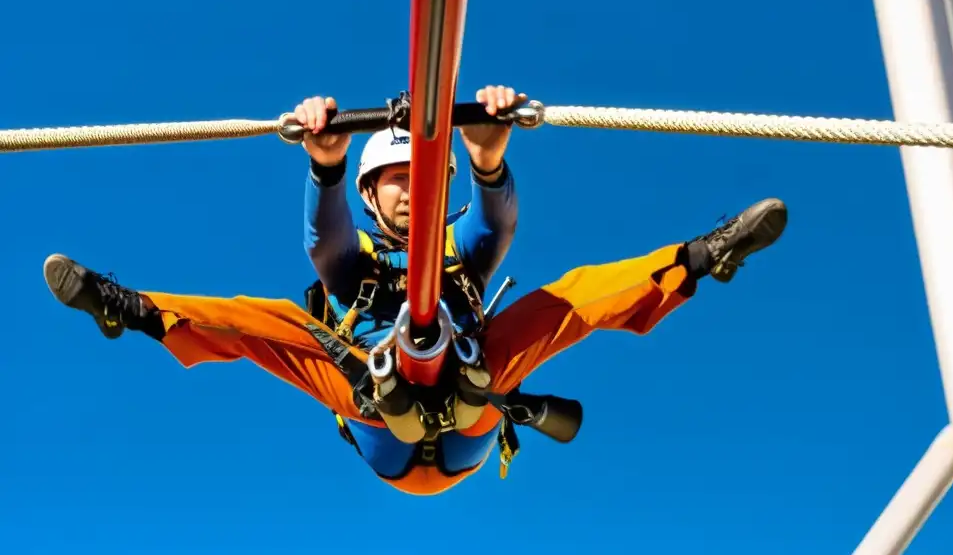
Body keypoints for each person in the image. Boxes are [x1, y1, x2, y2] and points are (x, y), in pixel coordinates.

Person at [42, 85, 789, 497]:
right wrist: (325, 165)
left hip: (469, 410)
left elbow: (499, 228)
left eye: (414, 178)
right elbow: (323, 244)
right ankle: (132, 309)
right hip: (372, 410)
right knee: (269, 320)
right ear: (371, 194)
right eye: (392, 181)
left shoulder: (460, 252)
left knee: (567, 300)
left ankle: (699, 257)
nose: (407, 190)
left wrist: (490, 159)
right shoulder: (353, 267)